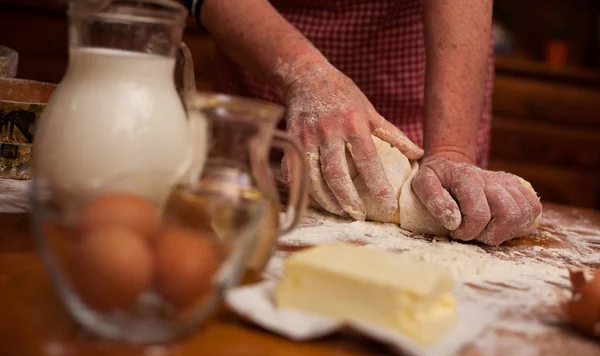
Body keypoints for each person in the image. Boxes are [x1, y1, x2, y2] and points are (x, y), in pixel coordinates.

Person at [183, 0, 542, 245]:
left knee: (442, 197)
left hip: (416, 71)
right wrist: (305, 76)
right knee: (245, 216)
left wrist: (451, 149)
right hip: (263, 51)